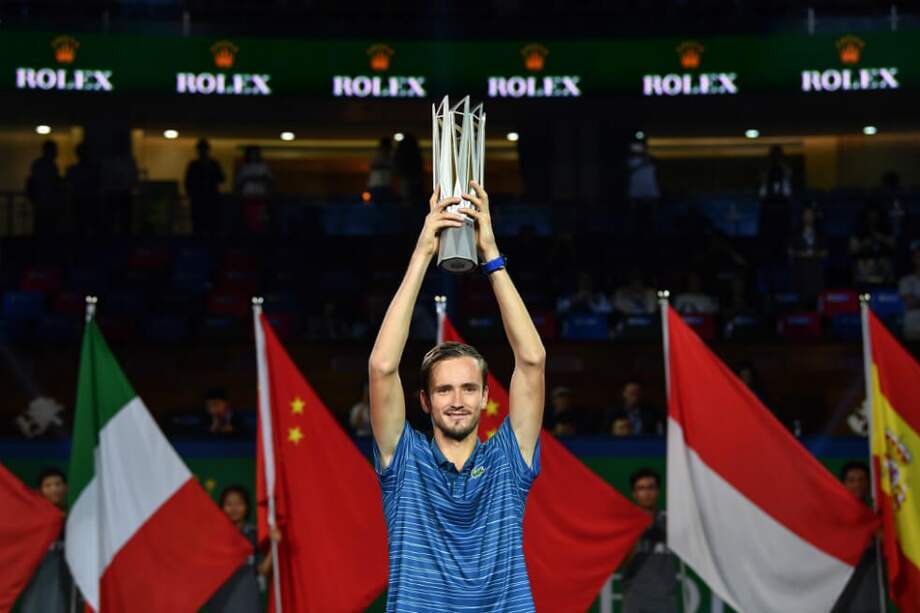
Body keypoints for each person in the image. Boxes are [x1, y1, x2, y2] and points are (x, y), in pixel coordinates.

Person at [368, 181, 546, 612]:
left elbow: (533, 361)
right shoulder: (403, 461)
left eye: (469, 388)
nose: (457, 400)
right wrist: (422, 254)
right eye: (444, 390)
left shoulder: (508, 460)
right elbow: (381, 368)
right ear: (424, 402)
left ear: (486, 397)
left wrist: (490, 254)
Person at [207, 485, 278, 613]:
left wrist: (274, 545)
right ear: (221, 507)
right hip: (220, 606)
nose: (234, 509)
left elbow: (262, 570)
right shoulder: (212, 537)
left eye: (239, 503)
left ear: (247, 507)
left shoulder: (254, 534)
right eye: (229, 504)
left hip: (248, 604)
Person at [620, 468, 678, 613]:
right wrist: (637, 532)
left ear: (658, 491)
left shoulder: (672, 521)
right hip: (635, 601)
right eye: (641, 488)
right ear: (634, 494)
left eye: (651, 487)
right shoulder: (625, 523)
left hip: (665, 601)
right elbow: (620, 563)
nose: (646, 493)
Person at [19, 468, 76, 613]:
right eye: (48, 486)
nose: (54, 489)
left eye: (58, 484)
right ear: (40, 491)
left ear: (66, 487)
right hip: (38, 583)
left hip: (68, 582)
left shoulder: (75, 517)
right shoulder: (31, 520)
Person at [832, 462, 882, 613]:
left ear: (868, 483)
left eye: (861, 480)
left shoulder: (877, 515)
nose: (857, 484)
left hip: (869, 588)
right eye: (852, 480)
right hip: (839, 586)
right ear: (844, 484)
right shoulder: (834, 516)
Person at [788, 206, 828, 308]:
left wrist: (814, 255)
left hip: (816, 274)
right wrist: (802, 255)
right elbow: (790, 252)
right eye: (806, 214)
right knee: (802, 304)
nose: (808, 217)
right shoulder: (796, 234)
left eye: (811, 215)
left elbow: (825, 252)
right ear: (802, 216)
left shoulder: (820, 234)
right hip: (801, 273)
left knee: (817, 304)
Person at [184, 138, 225, 236]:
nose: (202, 151)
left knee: (212, 225)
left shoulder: (213, 164)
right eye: (201, 149)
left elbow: (222, 178)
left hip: (211, 200)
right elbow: (188, 182)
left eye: (204, 149)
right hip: (199, 199)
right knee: (198, 226)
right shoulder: (194, 165)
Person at [849, 206, 895, 288]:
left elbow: (894, 245)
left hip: (882, 261)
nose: (873, 218)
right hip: (863, 262)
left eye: (875, 216)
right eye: (870, 216)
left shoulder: (886, 230)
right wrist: (864, 244)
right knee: (861, 264)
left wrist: (881, 238)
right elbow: (853, 250)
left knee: (886, 263)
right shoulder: (859, 231)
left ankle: (888, 289)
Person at [26, 140, 64, 235]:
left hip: (46, 201)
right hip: (44, 201)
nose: (56, 152)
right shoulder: (44, 165)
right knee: (45, 227)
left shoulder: (47, 165)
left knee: (45, 227)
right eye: (54, 150)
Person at [235, 145, 273, 233]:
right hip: (247, 196)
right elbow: (239, 182)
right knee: (248, 218)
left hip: (260, 196)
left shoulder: (264, 167)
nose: (253, 155)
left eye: (255, 153)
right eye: (252, 153)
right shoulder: (244, 167)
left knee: (260, 219)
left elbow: (269, 181)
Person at [65, 142, 101, 236]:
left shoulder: (93, 170)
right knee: (79, 228)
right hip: (79, 202)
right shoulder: (73, 170)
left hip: (90, 202)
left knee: (90, 228)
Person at [393, 134, 423, 207]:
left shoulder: (402, 152)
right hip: (409, 176)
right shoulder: (414, 152)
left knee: (408, 195)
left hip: (407, 175)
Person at [899, 241, 920, 340]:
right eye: (918, 256)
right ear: (914, 259)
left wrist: (916, 300)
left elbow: (914, 301)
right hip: (912, 330)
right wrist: (913, 301)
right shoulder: (906, 281)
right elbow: (910, 302)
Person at [367, 137, 394, 203]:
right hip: (376, 185)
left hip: (385, 185)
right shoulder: (377, 155)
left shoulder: (391, 156)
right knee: (375, 204)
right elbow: (373, 166)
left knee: (385, 203)